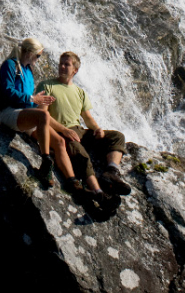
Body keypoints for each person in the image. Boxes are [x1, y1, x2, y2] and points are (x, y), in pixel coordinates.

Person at [37, 51, 132, 203]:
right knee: (81, 154)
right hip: (61, 132)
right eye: (60, 63)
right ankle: (98, 192)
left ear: (75, 70)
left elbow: (87, 117)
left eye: (66, 64)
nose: (62, 67)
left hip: (80, 130)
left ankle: (111, 172)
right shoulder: (46, 85)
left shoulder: (79, 92)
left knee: (117, 136)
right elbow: (42, 116)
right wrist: (64, 130)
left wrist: (97, 129)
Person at [0, 37, 83, 189]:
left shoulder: (28, 71)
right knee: (43, 115)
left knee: (59, 141)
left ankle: (73, 182)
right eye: (38, 56)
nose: (39, 59)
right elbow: (7, 91)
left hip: (24, 114)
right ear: (30, 53)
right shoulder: (10, 65)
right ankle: (45, 161)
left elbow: (28, 100)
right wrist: (32, 98)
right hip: (9, 112)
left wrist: (38, 102)